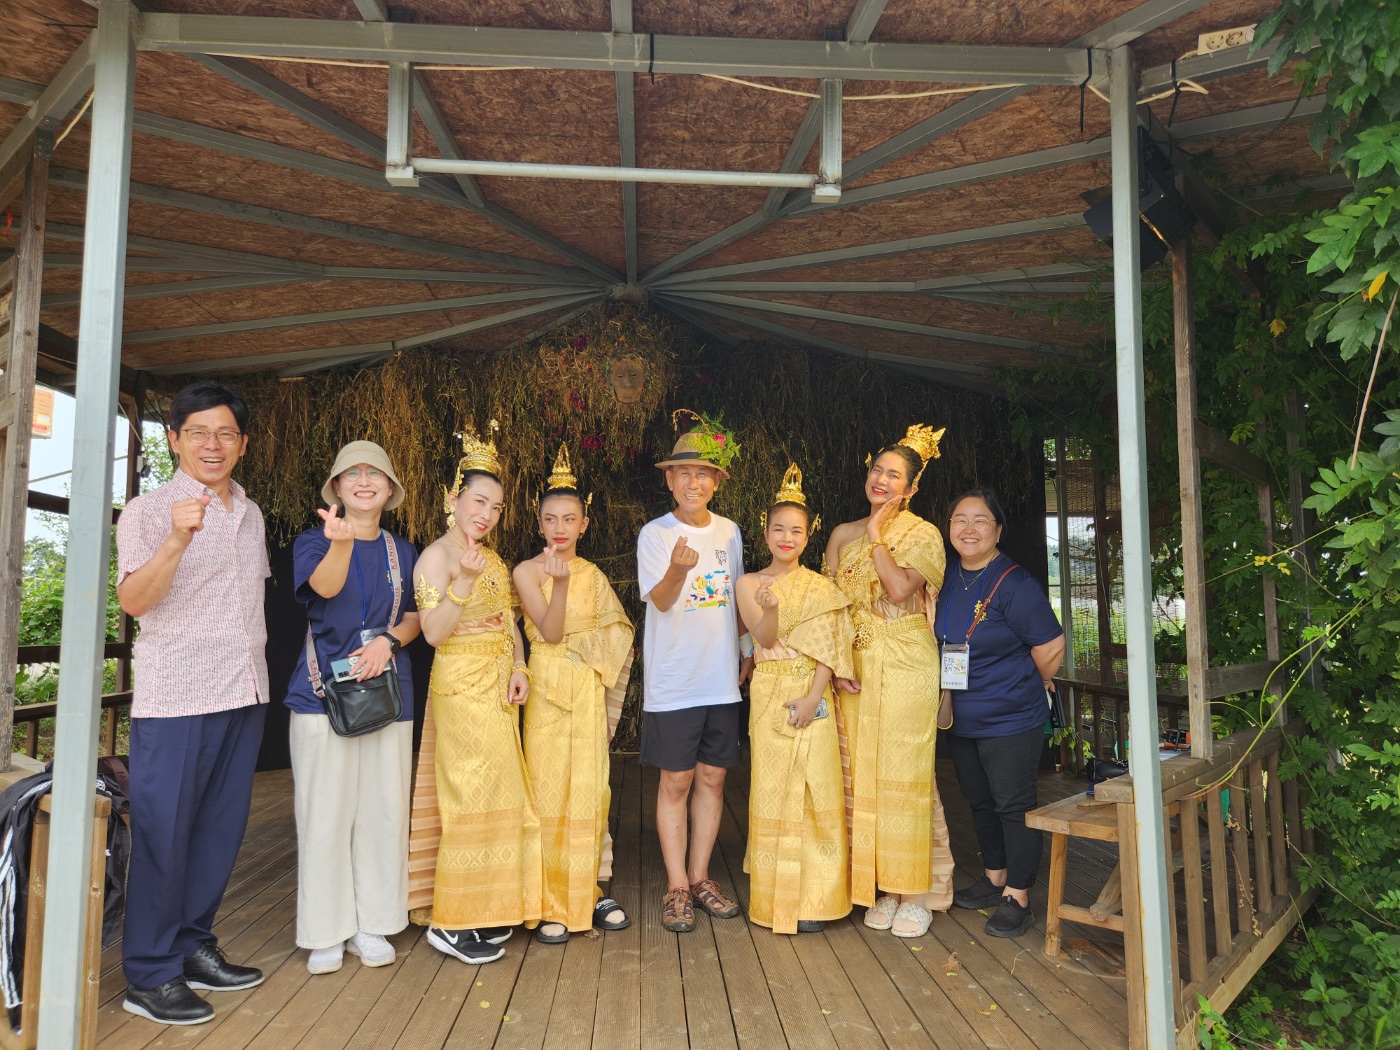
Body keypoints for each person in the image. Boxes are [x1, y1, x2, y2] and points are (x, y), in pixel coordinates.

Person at [115, 381, 269, 1025]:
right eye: (199, 432)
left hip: (244, 687)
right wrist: (177, 540)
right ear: (174, 439)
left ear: (242, 443)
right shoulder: (148, 511)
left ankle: (192, 945)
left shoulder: (251, 514)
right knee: (163, 832)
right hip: (177, 693)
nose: (213, 444)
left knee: (217, 831)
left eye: (225, 433)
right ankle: (149, 974)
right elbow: (133, 601)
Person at [285, 442, 422, 975]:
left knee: (383, 811)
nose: (364, 481)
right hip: (321, 697)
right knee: (325, 814)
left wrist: (389, 640)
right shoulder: (312, 542)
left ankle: (374, 923)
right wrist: (340, 542)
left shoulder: (403, 551)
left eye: (375, 474)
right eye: (352, 474)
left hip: (388, 692)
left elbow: (416, 615)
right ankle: (327, 929)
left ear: (389, 489)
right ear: (337, 488)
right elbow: (324, 587)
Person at [407, 423, 540, 965]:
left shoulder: (494, 559)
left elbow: (508, 620)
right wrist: (461, 583)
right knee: (467, 795)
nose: (487, 514)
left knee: (497, 794)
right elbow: (433, 634)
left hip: (497, 687)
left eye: (496, 507)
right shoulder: (436, 557)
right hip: (461, 686)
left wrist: (520, 664)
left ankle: (483, 906)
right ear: (452, 499)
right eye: (479, 501)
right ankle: (450, 921)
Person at [825, 424, 955, 939]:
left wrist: (878, 535)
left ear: (912, 488)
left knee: (906, 772)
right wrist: (837, 664)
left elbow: (900, 590)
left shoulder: (923, 534)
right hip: (856, 663)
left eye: (894, 475)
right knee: (863, 774)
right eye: (877, 470)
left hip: (904, 658)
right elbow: (832, 609)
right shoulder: (841, 533)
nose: (881, 480)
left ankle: (915, 892)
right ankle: (881, 885)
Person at [514, 444, 635, 943]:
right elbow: (550, 632)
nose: (559, 528)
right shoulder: (526, 572)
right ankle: (548, 900)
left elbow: (620, 632)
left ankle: (590, 889)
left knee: (590, 789)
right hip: (546, 689)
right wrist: (559, 585)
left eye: (569, 519)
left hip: (585, 689)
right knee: (547, 791)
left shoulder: (595, 575)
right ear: (539, 523)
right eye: (550, 519)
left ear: (584, 525)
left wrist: (594, 670)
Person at [636, 410, 751, 933]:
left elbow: (738, 598)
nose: (693, 482)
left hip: (720, 678)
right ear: (669, 480)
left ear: (716, 482)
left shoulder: (730, 532)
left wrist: (746, 648)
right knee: (676, 780)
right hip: (675, 679)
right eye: (683, 473)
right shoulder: (656, 534)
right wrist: (678, 570)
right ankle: (677, 885)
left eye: (703, 473)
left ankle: (702, 877)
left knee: (713, 776)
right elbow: (660, 601)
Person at [939, 489, 1065, 939]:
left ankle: (1018, 895)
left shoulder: (1014, 583)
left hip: (1010, 718)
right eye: (960, 519)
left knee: (1014, 805)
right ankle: (994, 876)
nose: (969, 529)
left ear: (998, 529)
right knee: (979, 799)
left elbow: (1051, 646)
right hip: (962, 716)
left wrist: (1025, 682)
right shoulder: (948, 576)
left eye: (980, 520)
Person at [735, 465, 854, 935]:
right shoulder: (749, 584)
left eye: (797, 531)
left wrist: (812, 697)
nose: (787, 538)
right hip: (769, 690)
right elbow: (764, 638)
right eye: (779, 529)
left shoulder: (822, 586)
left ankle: (817, 901)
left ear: (809, 535)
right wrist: (771, 608)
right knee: (773, 791)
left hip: (812, 691)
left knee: (816, 790)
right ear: (765, 533)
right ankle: (775, 900)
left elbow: (831, 648)